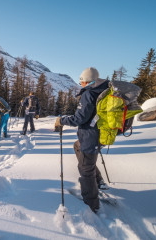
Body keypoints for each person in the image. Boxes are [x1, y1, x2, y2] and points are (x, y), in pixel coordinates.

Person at [55, 67, 110, 214]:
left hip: (91, 136)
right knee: (77, 146)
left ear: (87, 81)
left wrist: (63, 120)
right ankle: (99, 181)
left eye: (82, 82)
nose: (81, 84)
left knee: (85, 169)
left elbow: (80, 118)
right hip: (101, 134)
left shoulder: (89, 93)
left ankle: (92, 204)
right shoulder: (103, 90)